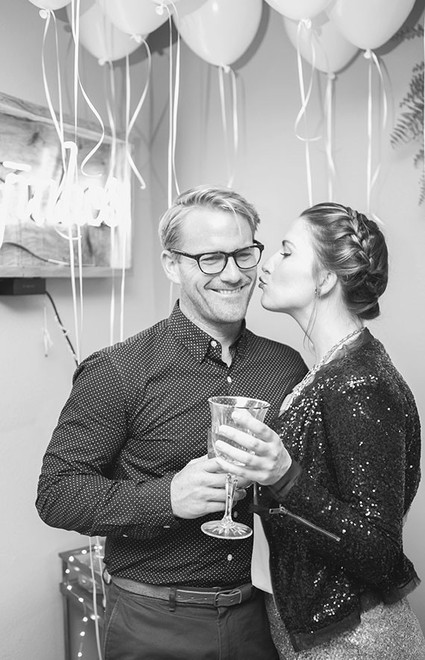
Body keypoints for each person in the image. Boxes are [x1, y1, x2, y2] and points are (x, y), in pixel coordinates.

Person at [36, 185, 307, 660]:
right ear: (171, 264)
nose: (233, 274)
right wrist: (168, 498)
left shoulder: (285, 367)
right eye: (210, 259)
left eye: (244, 254)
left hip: (262, 619)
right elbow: (56, 494)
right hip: (154, 622)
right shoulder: (119, 370)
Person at [214, 203, 425, 659]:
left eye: (287, 252)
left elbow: (380, 554)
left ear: (326, 279)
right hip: (314, 634)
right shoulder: (330, 369)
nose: (267, 263)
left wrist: (285, 477)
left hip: (354, 642)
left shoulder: (359, 382)